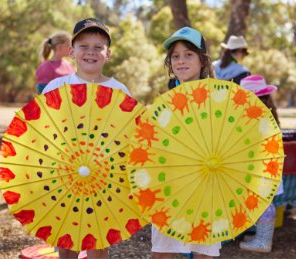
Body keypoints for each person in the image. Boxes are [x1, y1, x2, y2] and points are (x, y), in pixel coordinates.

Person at [42, 17, 130, 259]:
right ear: (72, 51)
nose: (91, 52)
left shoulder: (119, 91)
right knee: (67, 236)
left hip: (105, 175)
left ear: (108, 53)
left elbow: (129, 134)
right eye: (84, 46)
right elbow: (43, 128)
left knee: (97, 238)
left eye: (98, 47)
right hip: (65, 171)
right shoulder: (57, 86)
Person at [151, 26, 221, 259]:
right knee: (163, 250)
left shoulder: (220, 98)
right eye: (175, 56)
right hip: (171, 186)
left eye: (188, 54)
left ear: (202, 60)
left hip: (208, 185)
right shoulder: (165, 102)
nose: (181, 61)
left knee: (204, 250)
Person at [238, 74, 282, 253]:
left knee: (263, 203)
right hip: (266, 168)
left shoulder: (258, 118)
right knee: (264, 201)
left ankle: (263, 241)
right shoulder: (268, 115)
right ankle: (261, 237)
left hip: (261, 169)